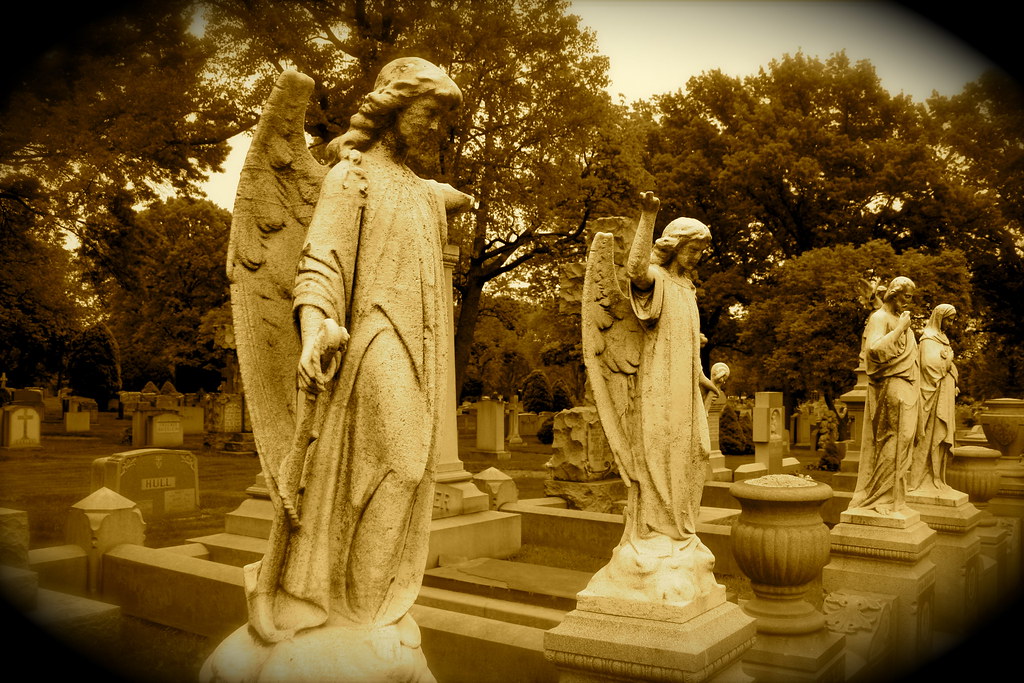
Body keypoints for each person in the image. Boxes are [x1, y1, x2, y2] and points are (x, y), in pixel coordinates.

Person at [580, 191, 723, 604]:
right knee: (660, 453)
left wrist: (699, 377)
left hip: (683, 385)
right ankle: (656, 533)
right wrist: (648, 217)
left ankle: (681, 530)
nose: (698, 256)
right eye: (694, 248)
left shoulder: (687, 289)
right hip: (658, 388)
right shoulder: (658, 281)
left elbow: (686, 343)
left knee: (694, 451)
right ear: (676, 246)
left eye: (701, 250)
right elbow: (636, 268)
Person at [850, 276, 920, 514]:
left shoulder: (897, 318)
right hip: (893, 384)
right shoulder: (879, 317)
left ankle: (894, 498)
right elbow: (875, 350)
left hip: (906, 384)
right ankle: (879, 497)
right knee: (895, 438)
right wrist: (901, 329)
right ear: (894, 293)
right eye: (906, 296)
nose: (908, 302)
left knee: (904, 440)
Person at [910, 304, 958, 493]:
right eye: (950, 319)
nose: (952, 323)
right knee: (930, 435)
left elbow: (948, 364)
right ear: (940, 317)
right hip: (931, 394)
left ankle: (937, 477)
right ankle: (924, 478)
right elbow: (929, 367)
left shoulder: (943, 339)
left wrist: (953, 377)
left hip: (944, 393)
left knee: (940, 436)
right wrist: (947, 362)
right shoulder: (928, 338)